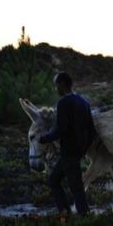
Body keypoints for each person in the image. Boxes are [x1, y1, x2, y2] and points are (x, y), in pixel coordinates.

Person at [39, 72, 97, 216]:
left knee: (75, 188)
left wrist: (44, 138)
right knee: (55, 180)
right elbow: (91, 131)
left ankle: (81, 216)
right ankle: (66, 212)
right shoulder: (84, 102)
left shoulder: (63, 103)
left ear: (62, 84)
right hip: (76, 153)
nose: (55, 89)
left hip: (68, 153)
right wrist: (83, 150)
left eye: (56, 85)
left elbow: (61, 130)